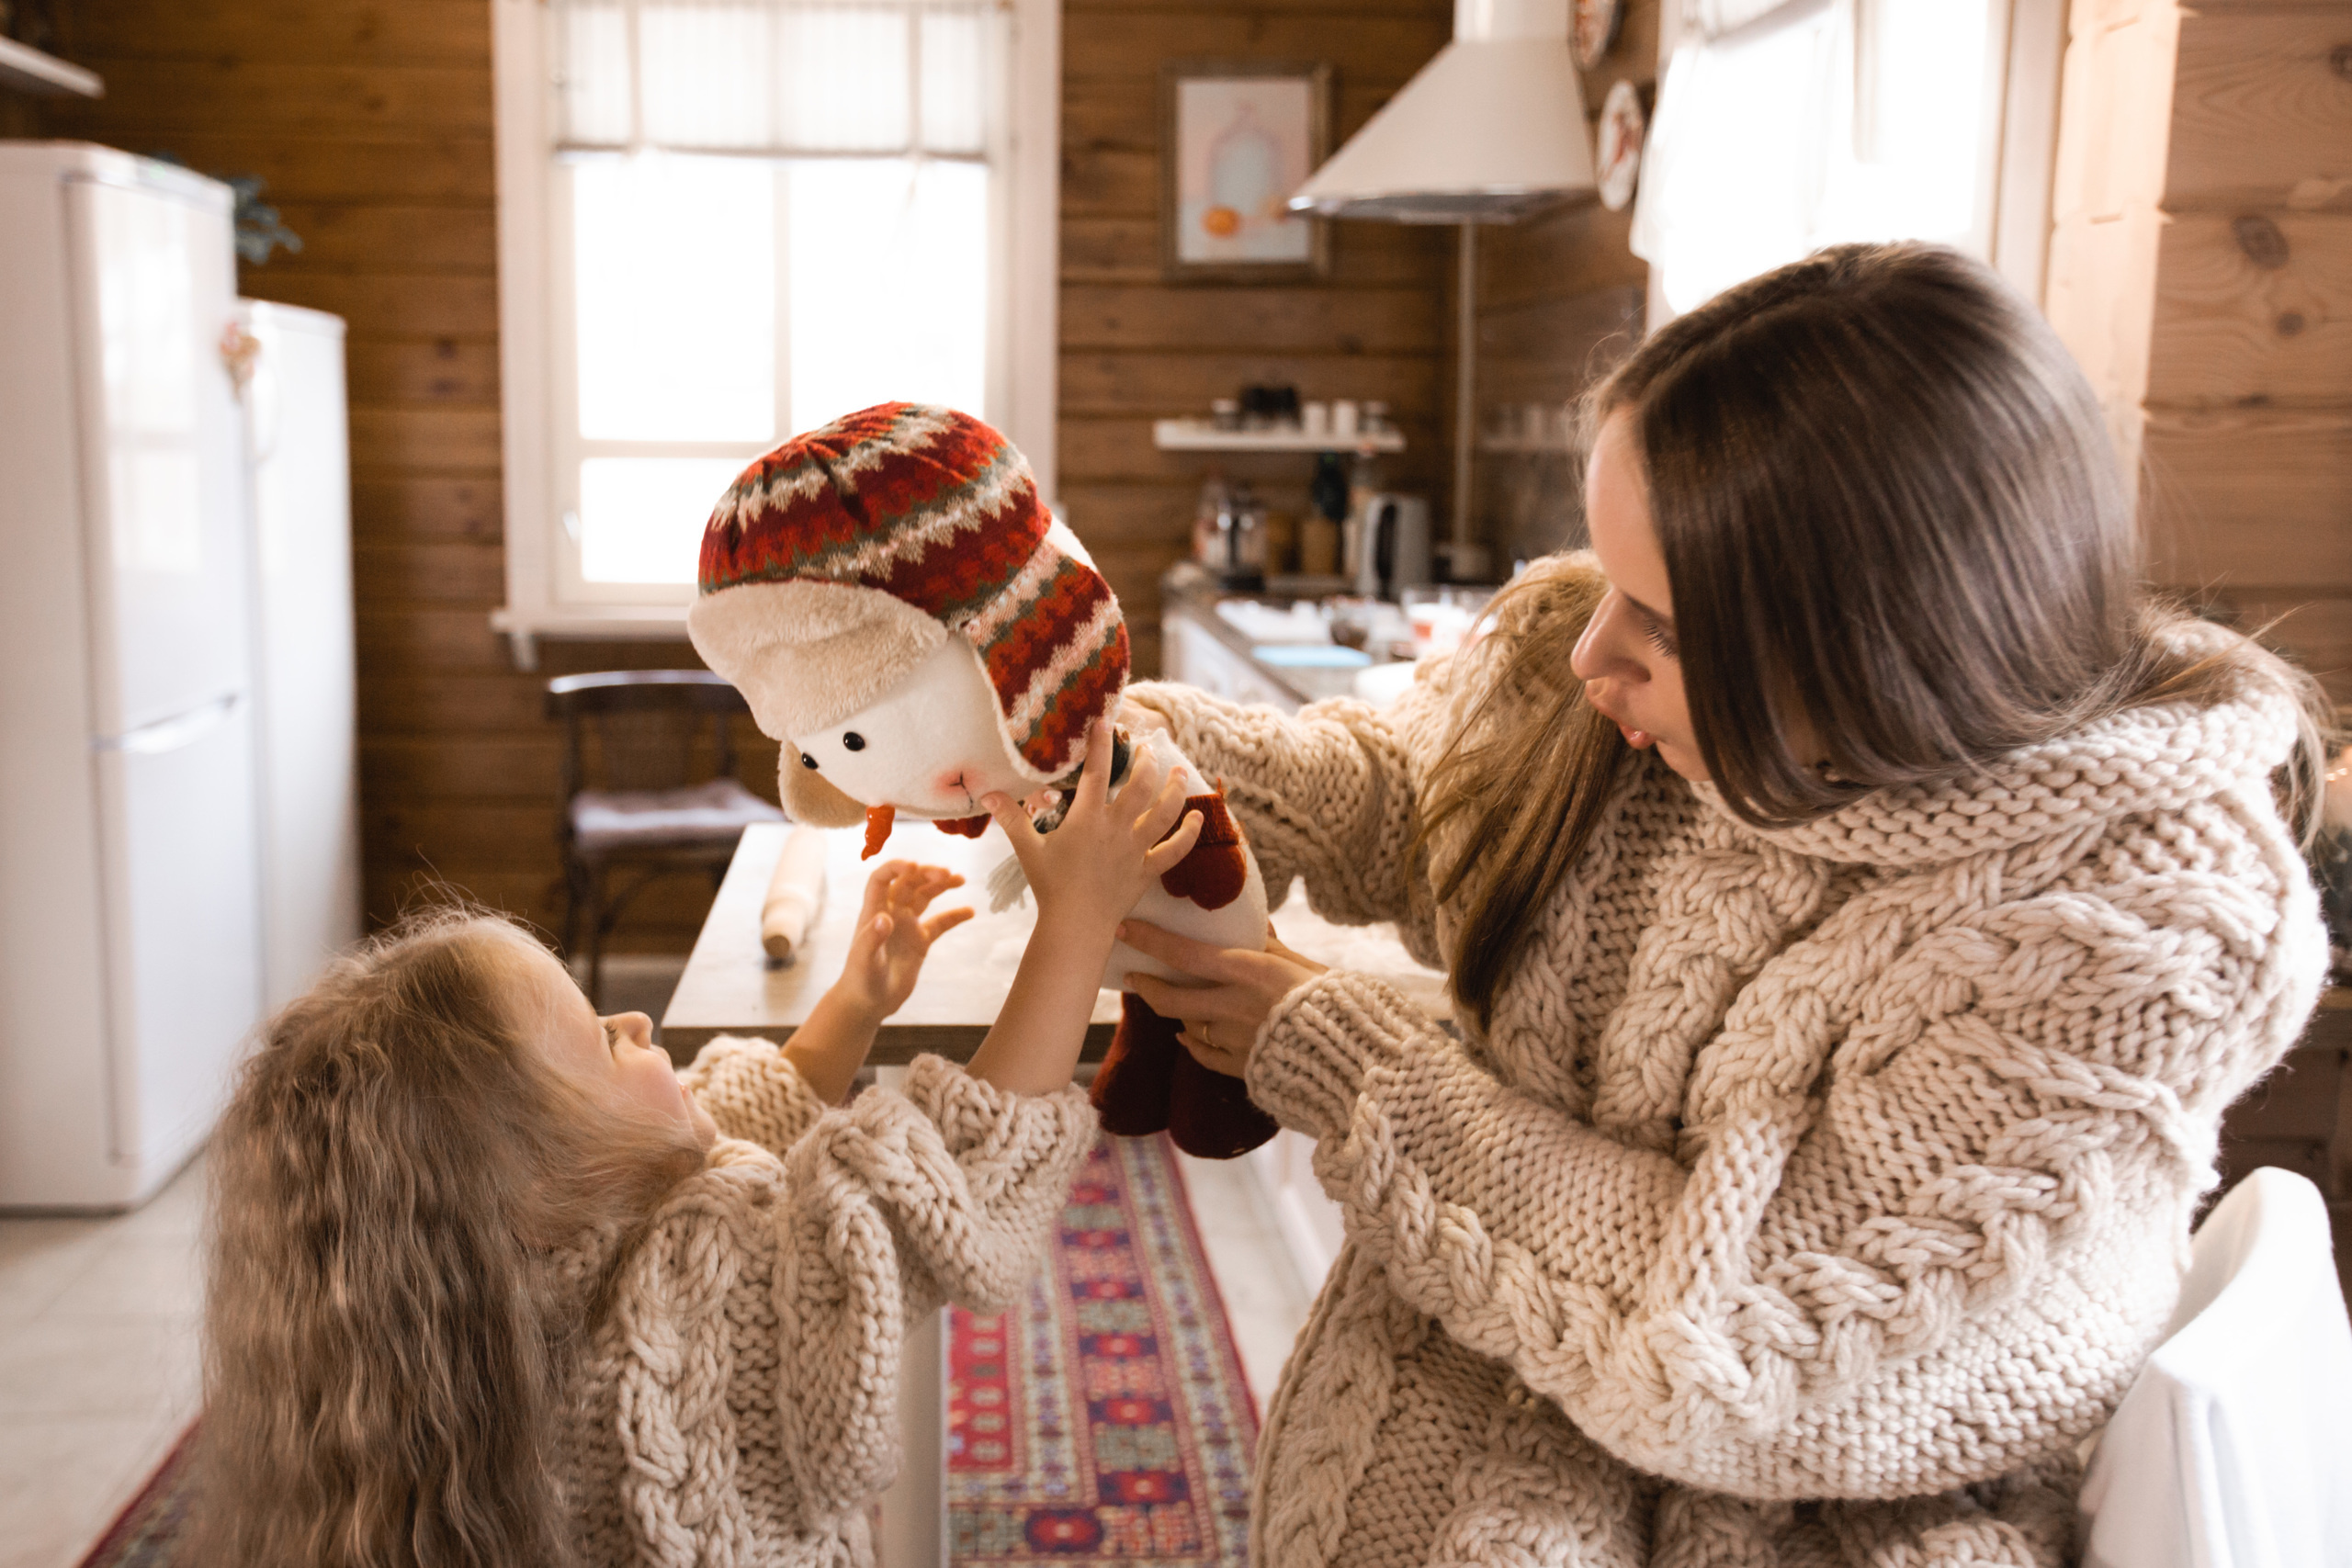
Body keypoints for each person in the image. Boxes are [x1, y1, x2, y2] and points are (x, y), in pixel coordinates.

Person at [1114, 243, 2333, 1565]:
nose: (1593, 653)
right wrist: (1163, 756)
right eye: (1608, 571)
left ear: (1895, 643)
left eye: (1671, 625)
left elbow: (1745, 1341)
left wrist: (1354, 1064)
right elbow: (1416, 804)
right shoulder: (1623, 695)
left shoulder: (2129, 932)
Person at [198, 720, 1199, 1567]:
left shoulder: (472, 1321)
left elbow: (729, 1118)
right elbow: (936, 1182)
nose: (635, 1026)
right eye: (599, 1036)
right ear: (544, 1179)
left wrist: (853, 1005)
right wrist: (1076, 915)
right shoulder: (691, 1318)